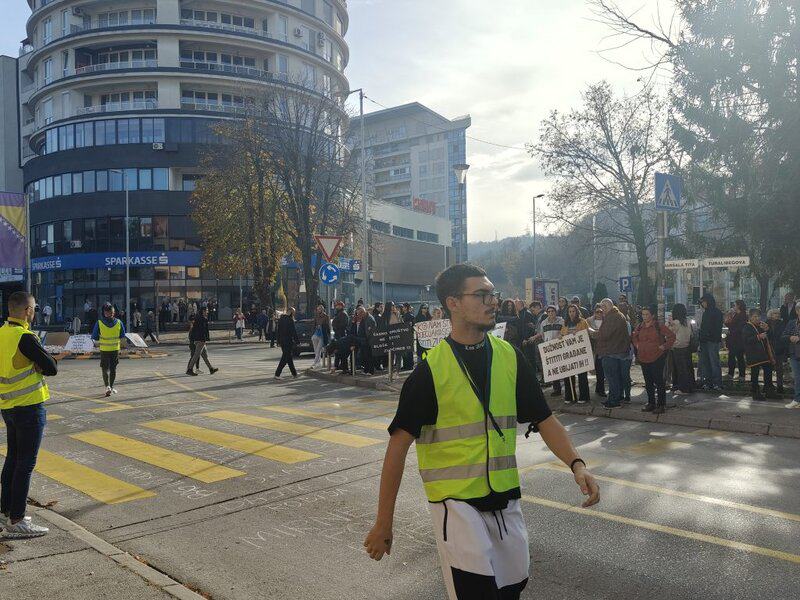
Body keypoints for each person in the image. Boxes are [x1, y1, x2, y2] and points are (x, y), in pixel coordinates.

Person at [363, 264, 599, 599]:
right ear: (453, 303)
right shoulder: (430, 372)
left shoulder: (509, 357)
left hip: (505, 503)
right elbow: (397, 448)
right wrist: (384, 522)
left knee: (512, 588)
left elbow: (545, 419)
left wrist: (577, 465)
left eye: (493, 294)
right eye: (482, 294)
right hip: (456, 507)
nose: (492, 302)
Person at [0, 291, 62, 538]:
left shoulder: (2, 333)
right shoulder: (25, 337)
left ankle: (6, 512)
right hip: (29, 407)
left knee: (12, 459)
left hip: (8, 407)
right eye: (33, 308)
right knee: (25, 464)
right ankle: (16, 520)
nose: (34, 311)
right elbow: (52, 368)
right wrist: (43, 363)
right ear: (27, 311)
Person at [631, 305, 676, 414]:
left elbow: (671, 336)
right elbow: (633, 336)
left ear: (652, 315)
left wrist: (663, 346)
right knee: (648, 382)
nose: (644, 317)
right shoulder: (640, 326)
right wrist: (637, 345)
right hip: (643, 357)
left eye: (647, 314)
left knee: (659, 382)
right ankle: (651, 403)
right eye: (643, 314)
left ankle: (661, 405)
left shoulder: (658, 326)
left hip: (656, 357)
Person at [596, 298, 631, 408]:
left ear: (609, 306)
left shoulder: (613, 317)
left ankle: (614, 401)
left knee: (612, 377)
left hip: (611, 351)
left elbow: (605, 334)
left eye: (604, 307)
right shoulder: (616, 315)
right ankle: (613, 398)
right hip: (616, 350)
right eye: (601, 307)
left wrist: (592, 332)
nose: (602, 309)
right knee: (614, 377)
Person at [91, 303, 127, 397]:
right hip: (115, 349)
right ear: (113, 312)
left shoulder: (99, 323)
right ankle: (111, 386)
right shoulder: (119, 322)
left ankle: (107, 387)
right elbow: (123, 337)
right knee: (113, 369)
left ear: (104, 313)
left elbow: (94, 337)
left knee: (104, 368)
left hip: (104, 350)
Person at [560, 304, 591, 404]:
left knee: (582, 376)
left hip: (580, 352)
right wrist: (560, 337)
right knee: (568, 376)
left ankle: (584, 396)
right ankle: (570, 396)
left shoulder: (582, 322)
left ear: (577, 312)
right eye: (570, 311)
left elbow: (586, 334)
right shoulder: (565, 323)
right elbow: (561, 334)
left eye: (573, 311)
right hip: (568, 353)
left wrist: (577, 335)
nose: (571, 313)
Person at [742, 309, 773, 401]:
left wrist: (768, 329)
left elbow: (770, 336)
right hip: (754, 354)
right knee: (755, 374)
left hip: (763, 354)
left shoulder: (761, 326)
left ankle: (768, 390)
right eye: (755, 316)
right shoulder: (747, 327)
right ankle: (755, 392)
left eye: (758, 316)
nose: (757, 318)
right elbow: (747, 340)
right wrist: (758, 337)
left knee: (768, 370)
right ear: (750, 317)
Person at [533, 305, 564, 396]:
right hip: (548, 348)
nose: (550, 313)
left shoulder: (561, 321)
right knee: (553, 369)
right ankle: (556, 389)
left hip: (559, 347)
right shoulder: (544, 323)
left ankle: (566, 388)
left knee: (561, 368)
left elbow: (564, 331)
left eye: (552, 311)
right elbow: (542, 334)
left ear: (555, 312)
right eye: (549, 311)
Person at [697, 293, 723, 391]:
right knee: (705, 362)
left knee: (713, 362)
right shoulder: (706, 312)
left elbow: (717, 328)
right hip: (704, 341)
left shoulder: (716, 313)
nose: (702, 304)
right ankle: (708, 382)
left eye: (703, 302)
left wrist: (709, 335)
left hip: (712, 341)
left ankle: (717, 383)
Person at [668, 303, 696, 394]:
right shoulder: (687, 321)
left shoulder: (675, 322)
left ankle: (683, 388)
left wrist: (669, 321)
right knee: (688, 367)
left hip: (677, 347)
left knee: (680, 369)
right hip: (687, 346)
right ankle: (691, 386)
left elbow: (669, 332)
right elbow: (691, 333)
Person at [187, 307, 217, 376]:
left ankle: (211, 369)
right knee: (196, 355)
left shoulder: (197, 318)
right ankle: (189, 369)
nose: (207, 312)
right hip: (201, 339)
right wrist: (205, 339)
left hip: (197, 339)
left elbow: (194, 329)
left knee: (204, 356)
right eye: (206, 311)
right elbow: (204, 330)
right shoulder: (203, 319)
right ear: (203, 311)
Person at [781, 303, 800, 409]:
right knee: (797, 378)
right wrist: (790, 337)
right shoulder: (792, 323)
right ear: (797, 311)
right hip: (794, 354)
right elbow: (783, 336)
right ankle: (797, 400)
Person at [724, 300, 748, 383]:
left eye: (735, 305)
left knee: (738, 357)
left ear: (738, 306)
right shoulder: (736, 314)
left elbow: (740, 327)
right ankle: (734, 374)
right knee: (734, 357)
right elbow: (731, 324)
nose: (733, 306)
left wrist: (732, 331)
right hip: (734, 339)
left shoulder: (742, 315)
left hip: (738, 340)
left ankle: (740, 375)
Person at [766, 308, 787, 395]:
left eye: (778, 313)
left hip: (779, 349)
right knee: (768, 368)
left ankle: (780, 387)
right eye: (775, 313)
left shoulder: (782, 324)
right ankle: (769, 386)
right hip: (768, 349)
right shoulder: (766, 323)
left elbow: (782, 336)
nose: (777, 315)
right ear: (770, 315)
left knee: (779, 369)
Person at [275, 307, 299, 379]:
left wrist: (278, 341)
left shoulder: (281, 319)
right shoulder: (290, 320)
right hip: (288, 341)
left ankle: (294, 373)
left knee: (288, 358)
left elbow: (278, 331)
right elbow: (293, 332)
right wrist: (297, 341)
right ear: (291, 312)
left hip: (282, 341)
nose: (294, 314)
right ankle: (277, 374)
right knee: (285, 358)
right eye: (294, 312)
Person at [352, 306, 376, 375]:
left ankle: (370, 371)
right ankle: (366, 370)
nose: (358, 315)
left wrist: (367, 339)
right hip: (363, 340)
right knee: (365, 356)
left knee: (369, 356)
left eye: (359, 314)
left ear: (363, 312)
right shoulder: (364, 318)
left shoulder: (369, 319)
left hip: (368, 341)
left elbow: (371, 331)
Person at [589, 305, 606, 397]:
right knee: (597, 370)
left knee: (602, 371)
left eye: (601, 312)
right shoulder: (589, 321)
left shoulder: (606, 320)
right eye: (597, 312)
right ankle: (599, 388)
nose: (599, 313)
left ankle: (601, 389)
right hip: (593, 349)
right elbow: (589, 334)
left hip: (604, 349)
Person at [331, 301, 351, 374]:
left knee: (342, 352)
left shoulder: (343, 314)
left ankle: (343, 367)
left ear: (342, 306)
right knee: (338, 352)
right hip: (337, 335)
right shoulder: (338, 314)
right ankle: (340, 366)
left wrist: (336, 328)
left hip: (341, 335)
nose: (337, 307)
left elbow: (343, 325)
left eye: (339, 306)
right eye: (336, 306)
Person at [311, 304, 330, 368]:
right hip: (316, 334)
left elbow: (328, 327)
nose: (318, 310)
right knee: (315, 349)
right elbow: (313, 325)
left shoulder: (326, 316)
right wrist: (316, 327)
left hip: (323, 335)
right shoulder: (316, 316)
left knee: (318, 349)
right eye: (318, 309)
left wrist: (328, 336)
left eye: (320, 309)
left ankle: (315, 362)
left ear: (322, 309)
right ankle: (318, 362)